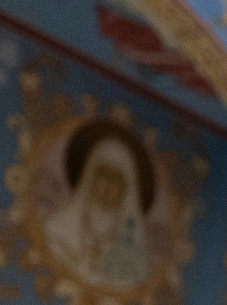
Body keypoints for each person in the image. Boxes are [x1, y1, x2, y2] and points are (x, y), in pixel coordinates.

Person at [44, 122, 153, 287]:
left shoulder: (131, 243)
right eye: (103, 175)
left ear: (126, 189)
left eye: (116, 179)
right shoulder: (58, 227)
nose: (108, 186)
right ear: (91, 177)